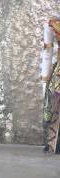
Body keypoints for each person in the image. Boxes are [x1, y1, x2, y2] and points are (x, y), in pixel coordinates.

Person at [41, 17, 60, 154]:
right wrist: (44, 79)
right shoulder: (53, 23)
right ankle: (54, 144)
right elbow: (47, 52)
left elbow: (47, 54)